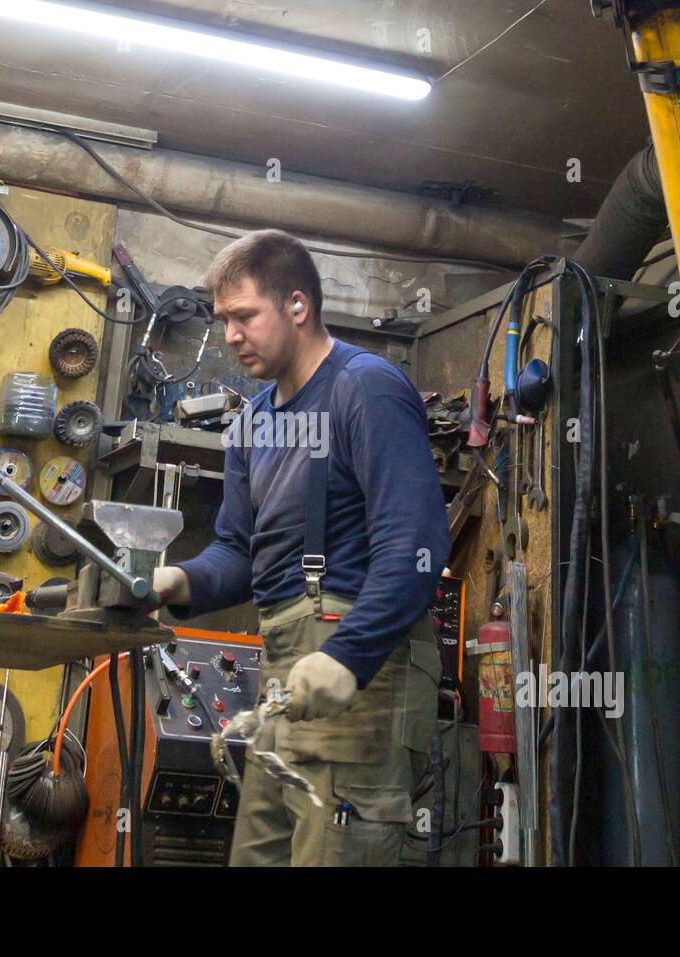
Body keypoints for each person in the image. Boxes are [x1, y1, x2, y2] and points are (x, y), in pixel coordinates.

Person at [154, 229, 450, 866]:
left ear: (297, 305)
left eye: (243, 316)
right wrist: (173, 582)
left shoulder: (366, 389)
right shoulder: (252, 424)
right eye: (222, 319)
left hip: (358, 672)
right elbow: (237, 552)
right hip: (285, 676)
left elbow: (416, 545)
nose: (230, 335)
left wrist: (350, 654)